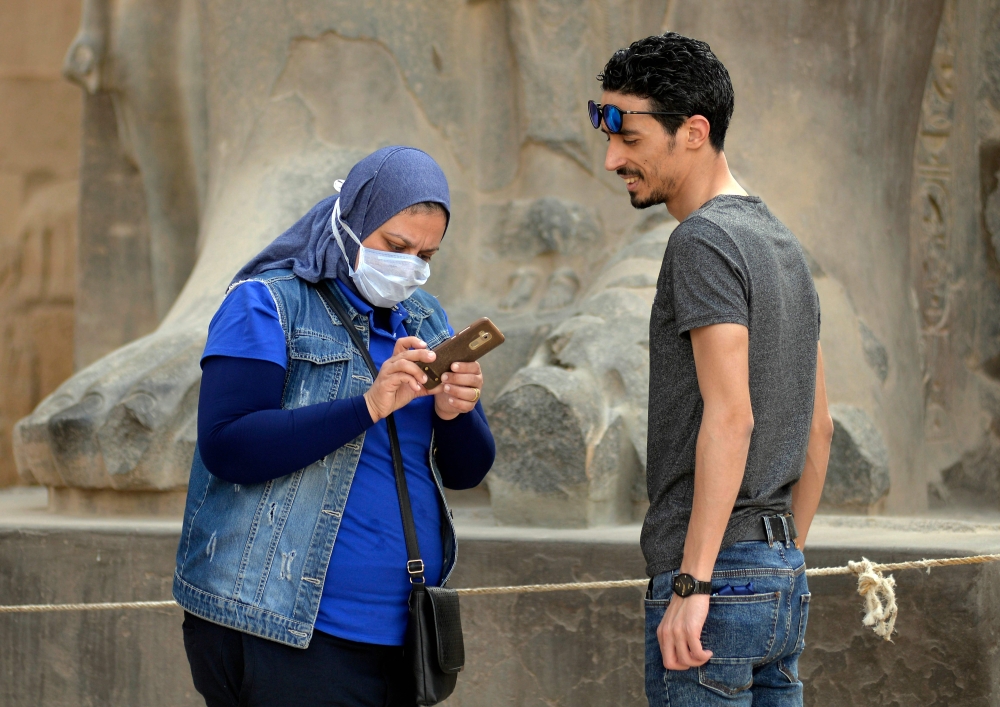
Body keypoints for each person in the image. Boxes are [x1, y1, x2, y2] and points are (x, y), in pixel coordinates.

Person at [172, 146, 495, 707]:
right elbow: (228, 446)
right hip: (280, 627)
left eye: (426, 254)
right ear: (350, 224)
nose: (410, 266)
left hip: (403, 633)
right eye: (396, 246)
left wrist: (455, 413)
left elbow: (468, 472)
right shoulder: (266, 304)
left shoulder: (426, 317)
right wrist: (366, 406)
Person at [590, 34, 833, 705]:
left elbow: (732, 417)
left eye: (630, 139)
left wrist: (694, 584)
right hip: (776, 575)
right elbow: (819, 432)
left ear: (693, 131)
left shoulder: (701, 240)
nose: (613, 159)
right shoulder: (783, 243)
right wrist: (781, 567)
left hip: (712, 581)